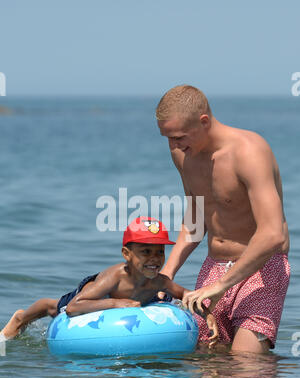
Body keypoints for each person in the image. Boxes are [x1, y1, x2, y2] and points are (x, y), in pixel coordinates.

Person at [156, 85, 290, 354]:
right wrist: (165, 274)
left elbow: (272, 233)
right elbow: (195, 220)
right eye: (167, 138)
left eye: (179, 137)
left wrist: (221, 286)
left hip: (262, 270)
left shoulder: (249, 152)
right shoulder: (183, 155)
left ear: (204, 121)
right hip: (213, 267)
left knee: (246, 363)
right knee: (206, 359)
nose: (173, 146)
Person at [0, 216, 219, 346]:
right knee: (55, 307)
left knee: (164, 296)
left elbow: (188, 296)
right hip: (99, 294)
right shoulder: (115, 278)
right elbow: (74, 307)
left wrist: (208, 316)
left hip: (137, 295)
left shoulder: (159, 281)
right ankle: (21, 318)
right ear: (126, 254)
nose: (154, 259)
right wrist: (116, 303)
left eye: (159, 252)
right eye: (145, 251)